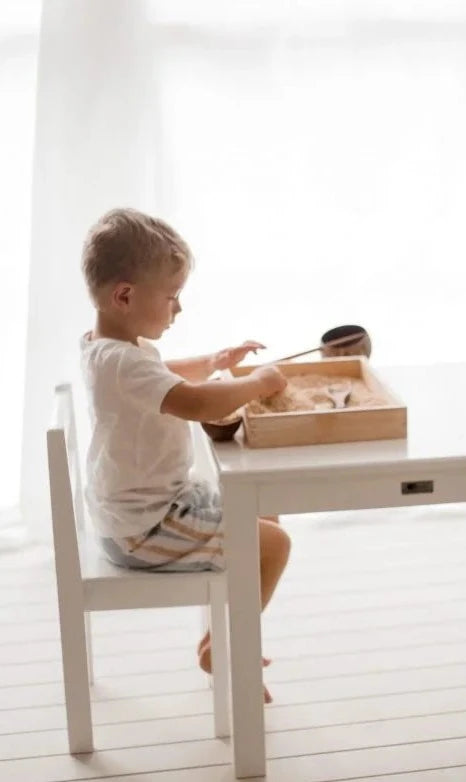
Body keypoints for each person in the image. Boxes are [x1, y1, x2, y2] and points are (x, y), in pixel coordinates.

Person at [79, 207, 289, 701]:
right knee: (275, 545)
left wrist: (214, 362)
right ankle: (231, 645)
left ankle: (227, 632)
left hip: (140, 510)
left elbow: (164, 372)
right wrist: (256, 382)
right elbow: (192, 402)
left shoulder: (109, 348)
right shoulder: (122, 361)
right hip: (145, 527)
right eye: (171, 297)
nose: (178, 309)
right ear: (125, 295)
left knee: (263, 511)